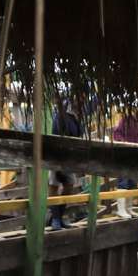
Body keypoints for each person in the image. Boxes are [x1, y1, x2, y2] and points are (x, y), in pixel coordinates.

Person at [48, 94, 84, 229]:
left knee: (69, 185)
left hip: (69, 159)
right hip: (56, 157)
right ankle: (56, 220)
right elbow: (57, 133)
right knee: (54, 185)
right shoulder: (61, 115)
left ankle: (57, 217)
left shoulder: (76, 118)